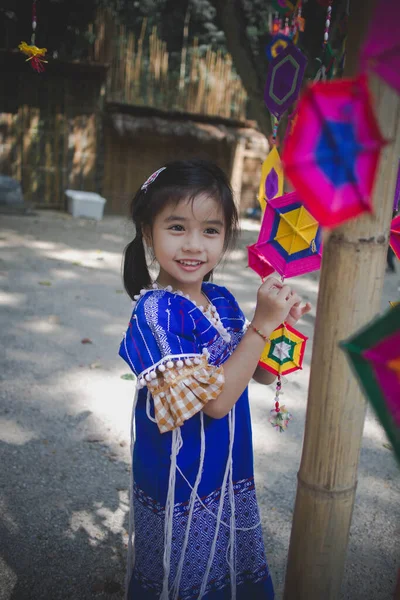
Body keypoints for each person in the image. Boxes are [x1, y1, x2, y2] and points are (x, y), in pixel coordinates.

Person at [119, 159, 311, 600]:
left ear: (226, 237)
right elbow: (218, 402)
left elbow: (257, 374)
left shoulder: (221, 299)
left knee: (223, 559)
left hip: (227, 464)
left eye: (210, 230)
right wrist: (260, 327)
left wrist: (279, 324)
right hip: (178, 470)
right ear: (148, 232)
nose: (194, 245)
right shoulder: (154, 313)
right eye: (176, 227)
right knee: (179, 566)